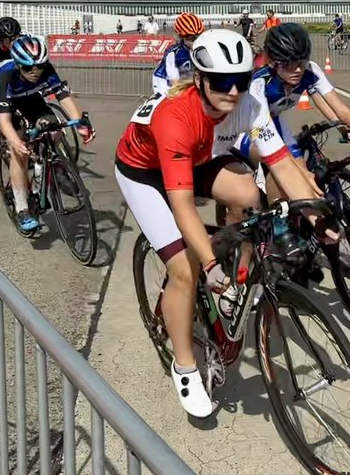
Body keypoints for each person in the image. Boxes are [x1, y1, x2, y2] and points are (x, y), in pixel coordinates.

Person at [113, 30, 329, 419]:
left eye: (240, 81)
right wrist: (208, 263)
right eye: (221, 81)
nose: (232, 91)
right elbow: (182, 205)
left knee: (249, 196)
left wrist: (316, 218)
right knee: (185, 268)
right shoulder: (175, 116)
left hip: (198, 156)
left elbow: (281, 164)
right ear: (199, 79)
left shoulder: (249, 104)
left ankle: (237, 275)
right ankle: (185, 367)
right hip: (144, 172)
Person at [250, 23, 350, 189]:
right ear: (273, 63)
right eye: (290, 63)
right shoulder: (260, 83)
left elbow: (341, 110)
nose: (298, 69)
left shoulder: (310, 71)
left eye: (302, 62)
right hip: (250, 127)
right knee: (282, 175)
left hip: (274, 120)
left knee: (302, 181)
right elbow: (264, 129)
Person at [0, 34, 94, 235]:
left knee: (55, 131)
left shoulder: (45, 69)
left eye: (40, 66)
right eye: (28, 68)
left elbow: (63, 97)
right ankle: (22, 209)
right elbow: (4, 122)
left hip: (28, 96)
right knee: (19, 151)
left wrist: (80, 123)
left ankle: (42, 168)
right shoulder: (6, 75)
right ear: (18, 65)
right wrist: (15, 141)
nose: (35, 72)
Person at [151, 12, 204, 96]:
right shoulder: (174, 53)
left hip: (185, 81)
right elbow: (174, 82)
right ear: (181, 37)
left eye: (197, 37)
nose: (195, 42)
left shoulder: (201, 49)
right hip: (164, 83)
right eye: (190, 39)